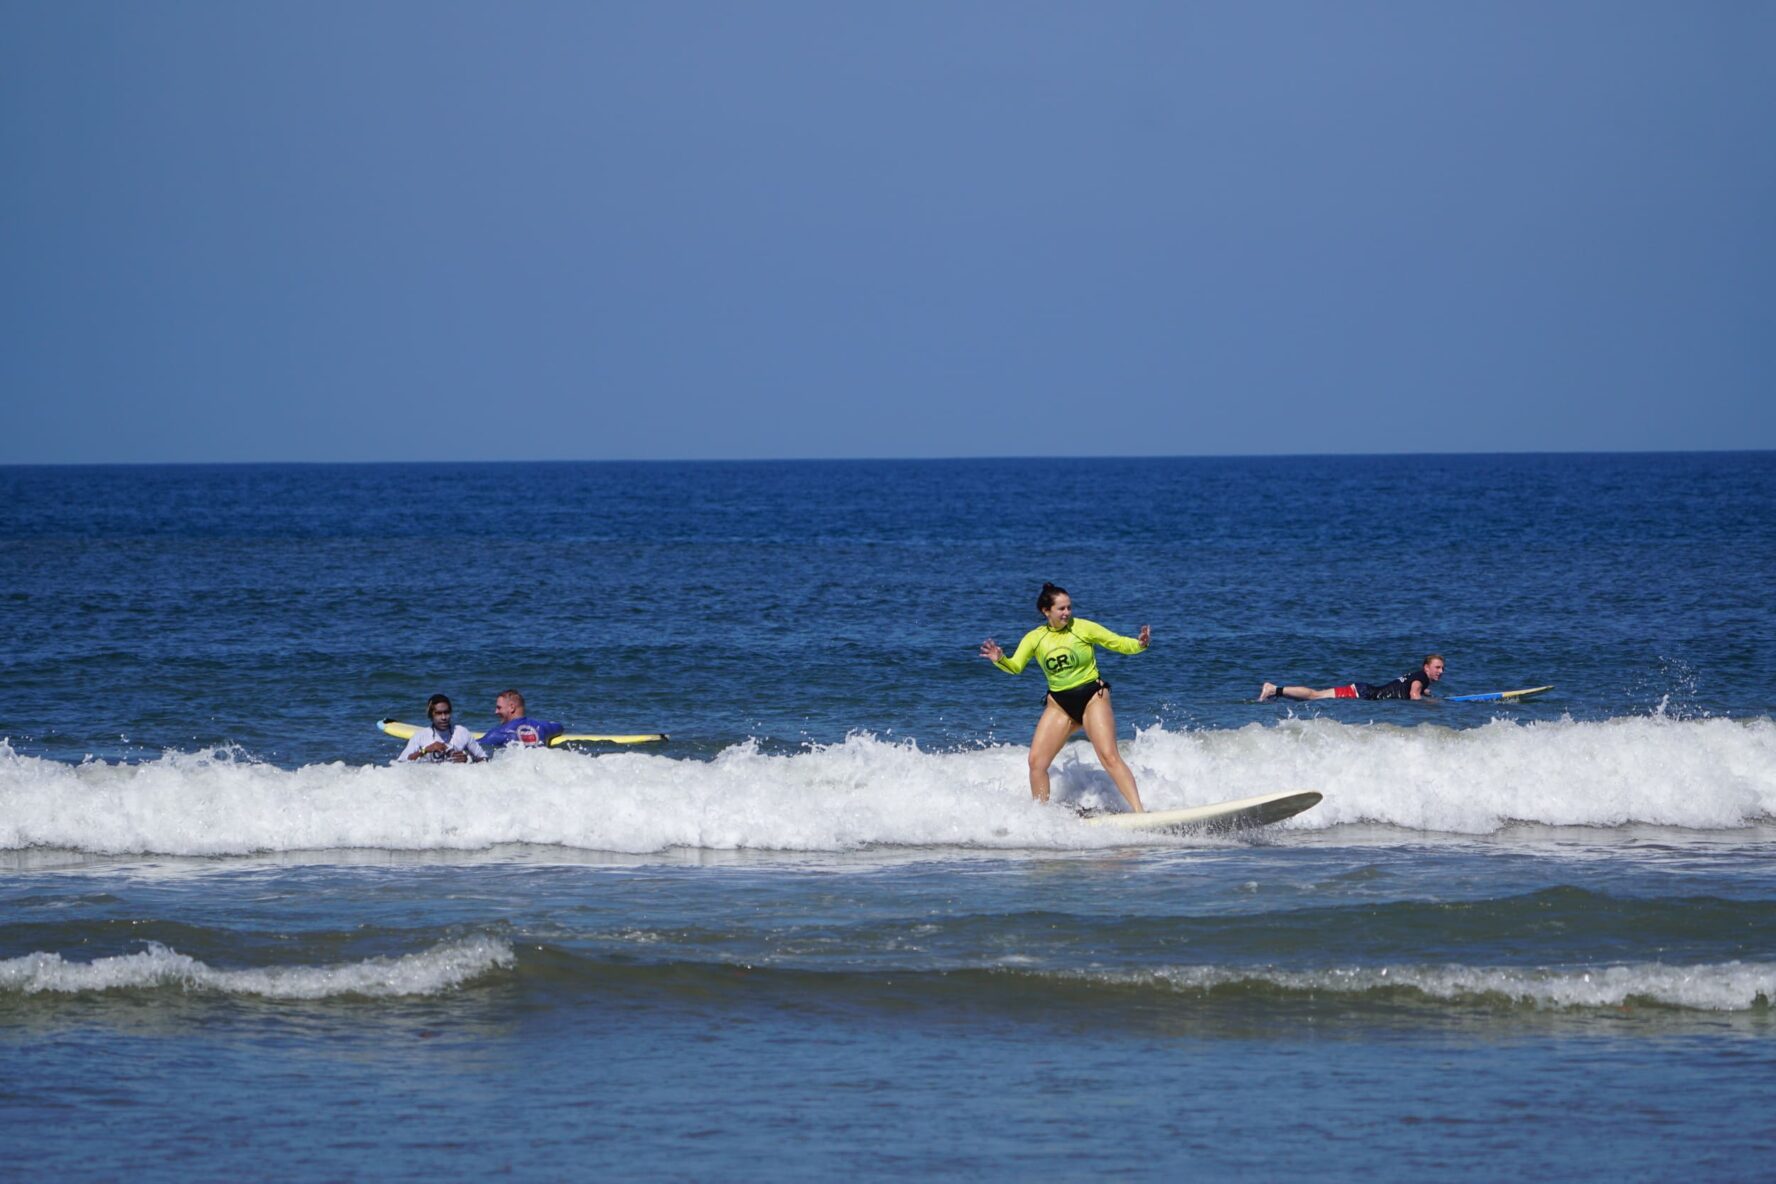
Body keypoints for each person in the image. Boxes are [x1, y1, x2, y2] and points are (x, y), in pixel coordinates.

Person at [980, 582, 1150, 813]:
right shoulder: (1035, 638)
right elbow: (1016, 667)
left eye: (1069, 607)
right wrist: (1000, 659)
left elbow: (1117, 642)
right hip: (1060, 705)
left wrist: (1139, 644)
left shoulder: (1083, 627)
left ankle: (1140, 812)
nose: (1067, 613)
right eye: (1061, 609)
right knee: (1036, 763)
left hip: (1092, 697)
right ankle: (1041, 816)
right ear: (1046, 611)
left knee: (1109, 756)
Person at [1259, 655, 1446, 702]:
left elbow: (1411, 688)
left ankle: (1276, 693)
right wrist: (1431, 704)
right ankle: (1273, 689)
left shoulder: (1418, 676)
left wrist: (1425, 692)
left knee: (1315, 696)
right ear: (1426, 667)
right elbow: (1414, 695)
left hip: (1364, 690)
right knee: (1315, 696)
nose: (1441, 671)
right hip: (1363, 694)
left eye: (1443, 668)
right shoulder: (1421, 677)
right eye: (1437, 667)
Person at [396, 694, 487, 763]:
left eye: (446, 712)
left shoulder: (462, 732)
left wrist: (468, 760)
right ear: (431, 715)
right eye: (439, 713)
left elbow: (485, 759)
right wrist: (425, 750)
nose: (444, 717)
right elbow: (401, 762)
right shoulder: (420, 736)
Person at [478, 688, 565, 750]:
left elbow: (473, 746)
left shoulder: (499, 733)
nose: (496, 712)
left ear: (512, 707)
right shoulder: (542, 727)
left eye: (499, 708)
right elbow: (559, 727)